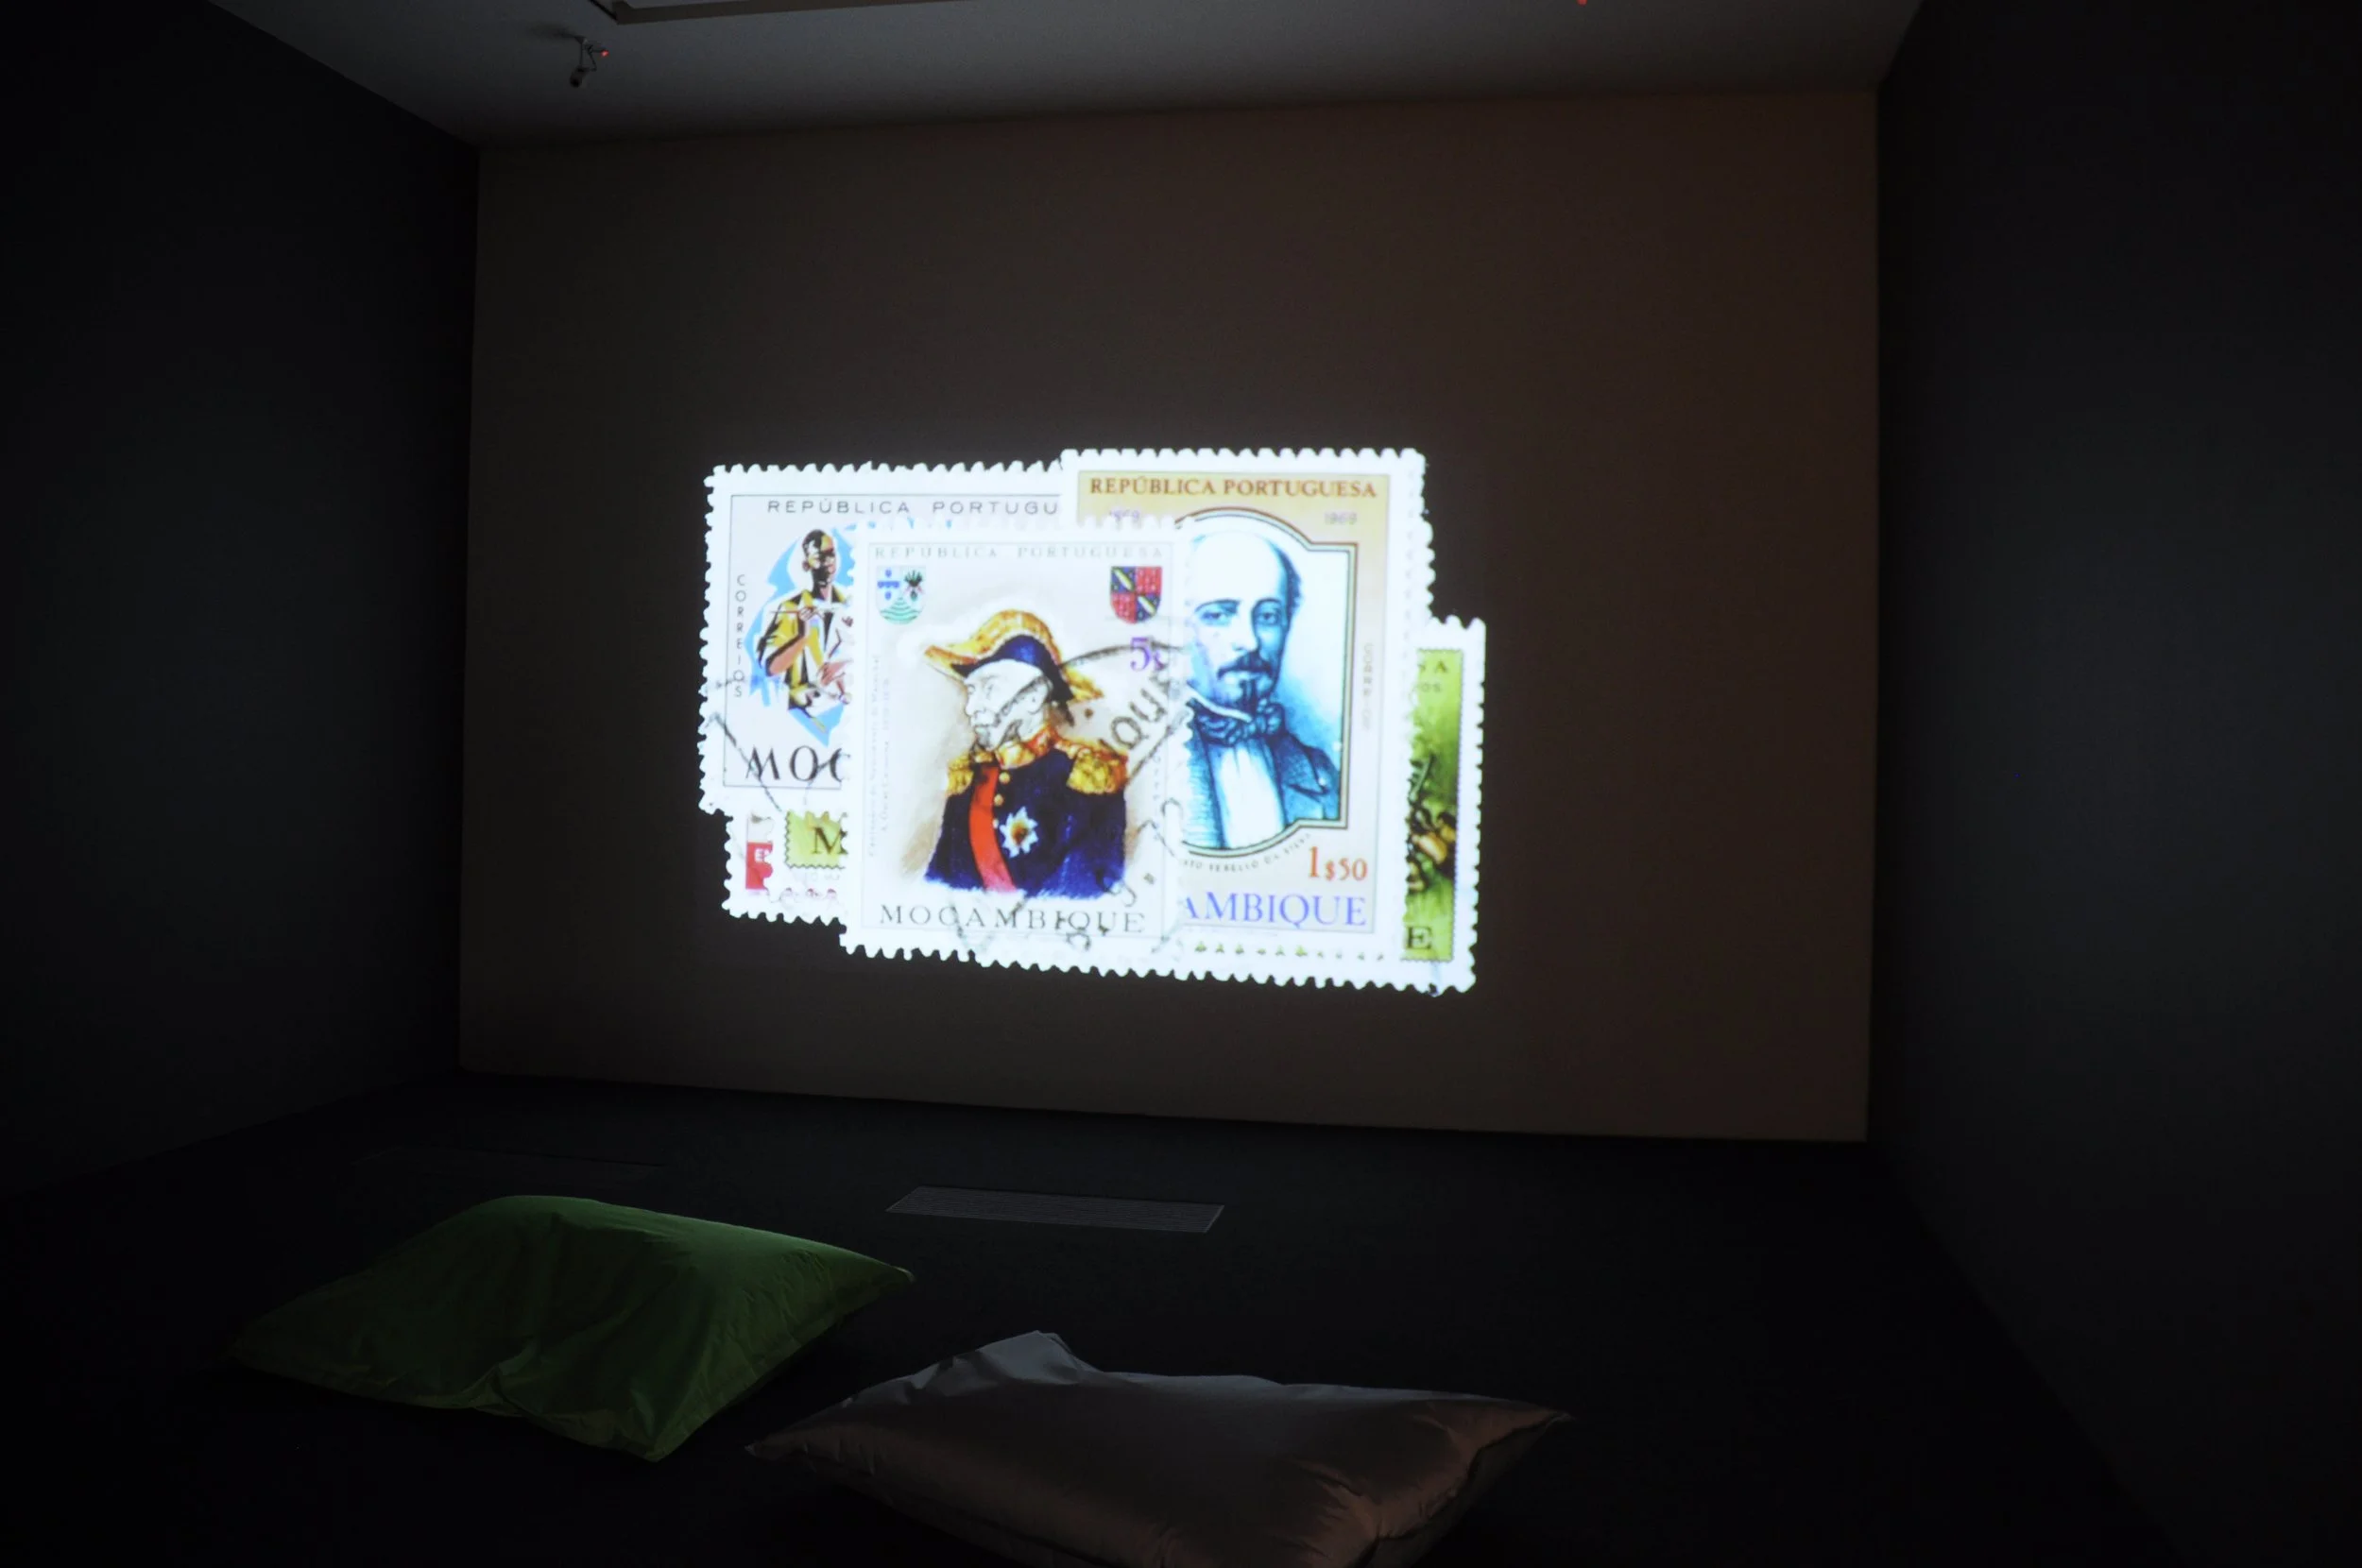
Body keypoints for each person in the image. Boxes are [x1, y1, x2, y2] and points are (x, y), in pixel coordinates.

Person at [922, 610, 1127, 897]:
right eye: (971, 691)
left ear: (1033, 697)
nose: (971, 708)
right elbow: (941, 888)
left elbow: (1082, 895)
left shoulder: (1083, 776)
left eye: (990, 689)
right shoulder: (968, 780)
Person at [1182, 529, 1340, 849]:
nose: (1250, 641)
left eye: (1268, 616)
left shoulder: (1319, 772)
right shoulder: (1143, 764)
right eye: (1219, 615)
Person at [756, 530, 850, 711]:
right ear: (806, 565)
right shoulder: (790, 609)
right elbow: (771, 669)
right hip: (804, 711)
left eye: (831, 555)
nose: (828, 563)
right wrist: (802, 637)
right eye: (820, 557)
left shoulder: (851, 604)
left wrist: (844, 663)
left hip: (843, 708)